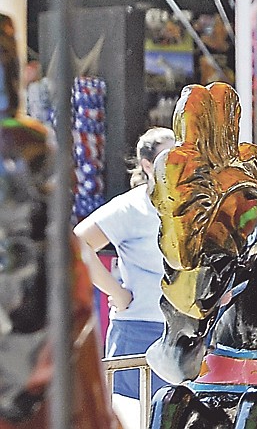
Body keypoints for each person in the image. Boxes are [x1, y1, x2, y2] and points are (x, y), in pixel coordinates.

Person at [74, 127, 175, 429]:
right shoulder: (132, 206)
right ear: (147, 165)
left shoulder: (192, 202)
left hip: (187, 333)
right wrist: (117, 292)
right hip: (139, 330)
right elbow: (78, 243)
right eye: (167, 156)